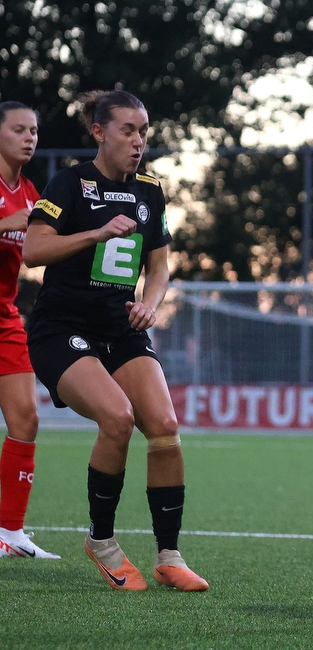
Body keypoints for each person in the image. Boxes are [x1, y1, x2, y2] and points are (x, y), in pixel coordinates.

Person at [22, 90, 207, 591]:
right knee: (117, 416)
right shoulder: (71, 183)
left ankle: (169, 556)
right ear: (100, 132)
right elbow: (34, 250)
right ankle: (101, 543)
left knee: (165, 427)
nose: (139, 141)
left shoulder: (150, 190)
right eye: (128, 130)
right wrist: (96, 233)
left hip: (119, 329)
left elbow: (160, 264)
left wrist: (152, 302)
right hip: (62, 329)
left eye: (144, 131)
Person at [0, 101, 59, 560]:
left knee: (27, 418)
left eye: (34, 131)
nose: (29, 138)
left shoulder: (33, 191)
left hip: (5, 317)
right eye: (18, 129)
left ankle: (10, 533)